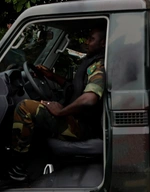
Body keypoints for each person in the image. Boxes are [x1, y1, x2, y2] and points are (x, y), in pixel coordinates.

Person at [6, 26, 106, 183]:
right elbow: (73, 87)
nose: (87, 42)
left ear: (103, 43)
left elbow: (90, 98)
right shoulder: (89, 62)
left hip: (81, 126)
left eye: (91, 39)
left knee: (25, 107)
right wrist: (51, 76)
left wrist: (61, 112)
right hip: (77, 120)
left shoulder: (98, 66)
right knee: (40, 107)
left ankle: (17, 169)